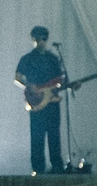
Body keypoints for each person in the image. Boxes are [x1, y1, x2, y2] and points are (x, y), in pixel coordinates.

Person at [16, 25, 66, 174]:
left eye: (43, 39)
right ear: (33, 39)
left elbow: (60, 80)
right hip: (36, 102)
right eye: (37, 39)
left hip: (52, 102)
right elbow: (17, 78)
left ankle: (57, 166)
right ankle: (38, 169)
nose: (41, 42)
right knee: (37, 136)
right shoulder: (27, 59)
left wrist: (70, 86)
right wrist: (31, 87)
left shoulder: (53, 59)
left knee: (54, 135)